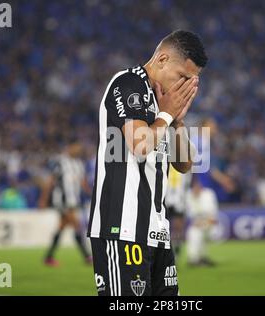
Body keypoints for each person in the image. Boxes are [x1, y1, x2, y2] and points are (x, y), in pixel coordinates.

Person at [87, 30, 208, 296]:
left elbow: (185, 164)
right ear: (162, 59)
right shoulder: (127, 84)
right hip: (122, 230)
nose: (185, 87)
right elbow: (140, 145)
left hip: (158, 231)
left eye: (192, 81)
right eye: (183, 77)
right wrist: (166, 115)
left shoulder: (165, 103)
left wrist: (177, 121)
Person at [39, 142, 92, 266]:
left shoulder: (79, 164)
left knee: (62, 227)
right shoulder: (60, 162)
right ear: (69, 148)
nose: (78, 150)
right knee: (77, 226)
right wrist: (43, 199)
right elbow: (50, 181)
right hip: (62, 201)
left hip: (74, 202)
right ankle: (87, 256)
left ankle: (48, 257)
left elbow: (83, 184)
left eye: (79, 148)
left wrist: (93, 195)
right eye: (75, 147)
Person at [186, 177, 218, 267]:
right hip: (196, 223)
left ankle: (203, 257)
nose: (196, 188)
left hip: (209, 222)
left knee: (208, 236)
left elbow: (213, 212)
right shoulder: (188, 195)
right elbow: (189, 214)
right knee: (194, 233)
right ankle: (193, 259)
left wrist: (208, 221)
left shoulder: (208, 194)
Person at [165, 164, 191, 258]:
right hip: (165, 198)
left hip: (179, 200)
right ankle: (165, 252)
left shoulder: (183, 163)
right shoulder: (165, 158)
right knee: (163, 227)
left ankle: (176, 252)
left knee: (178, 227)